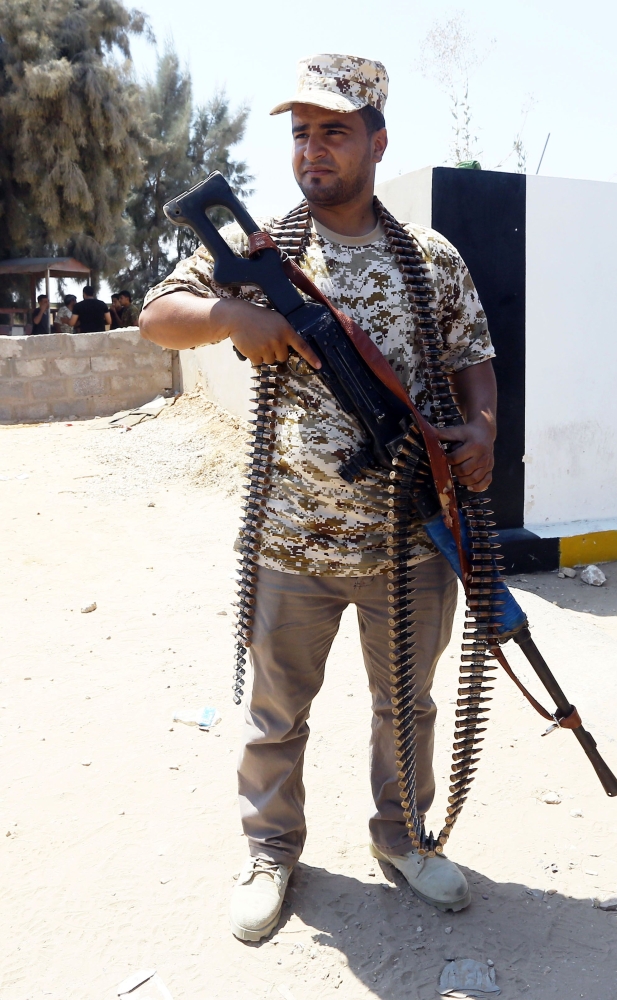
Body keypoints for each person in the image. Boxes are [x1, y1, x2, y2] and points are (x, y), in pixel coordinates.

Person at [140, 54, 497, 942]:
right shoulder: (260, 250)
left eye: (334, 130)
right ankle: (270, 853)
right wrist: (231, 318)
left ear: (377, 139)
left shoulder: (431, 258)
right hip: (290, 540)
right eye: (301, 132)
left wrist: (482, 431)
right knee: (275, 716)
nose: (314, 149)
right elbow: (156, 315)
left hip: (411, 542)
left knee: (405, 710)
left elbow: (472, 359)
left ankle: (405, 840)